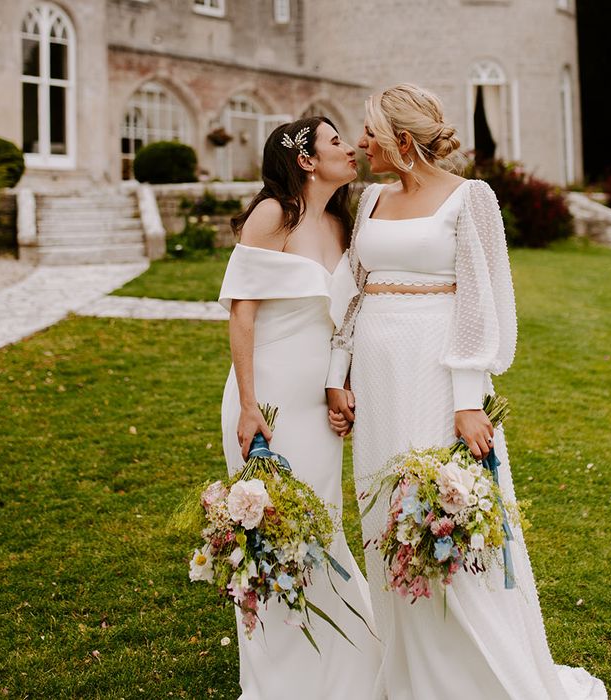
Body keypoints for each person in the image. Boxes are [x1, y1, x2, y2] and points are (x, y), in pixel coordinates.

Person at [326, 85, 607, 700]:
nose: (361, 144)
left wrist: (466, 398)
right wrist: (336, 375)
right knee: (385, 512)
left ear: (402, 141)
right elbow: (353, 289)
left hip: (436, 375)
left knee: (448, 511)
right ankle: (410, 674)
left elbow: (480, 300)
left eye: (370, 133)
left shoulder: (470, 198)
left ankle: (475, 675)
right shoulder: (369, 198)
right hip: (376, 375)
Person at [218, 116, 381, 700]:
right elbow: (242, 313)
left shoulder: (343, 222)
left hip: (318, 402)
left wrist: (341, 387)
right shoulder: (272, 215)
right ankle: (281, 674)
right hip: (269, 396)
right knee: (272, 530)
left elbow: (346, 321)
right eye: (337, 142)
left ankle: (343, 665)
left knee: (323, 524)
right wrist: (247, 403)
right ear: (307, 160)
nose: (350, 150)